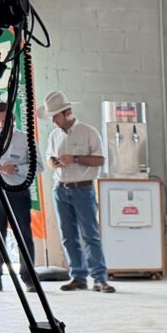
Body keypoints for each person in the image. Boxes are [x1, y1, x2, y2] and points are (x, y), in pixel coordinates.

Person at [44, 90, 113, 293]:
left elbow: (100, 160)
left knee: (90, 234)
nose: (53, 121)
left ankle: (99, 278)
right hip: (60, 188)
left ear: (67, 112)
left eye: (55, 116)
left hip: (83, 188)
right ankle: (78, 276)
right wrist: (53, 163)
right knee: (68, 236)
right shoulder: (54, 136)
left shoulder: (89, 132)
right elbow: (48, 158)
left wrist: (74, 158)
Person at [0, 98, 38, 292]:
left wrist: (17, 168)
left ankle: (29, 278)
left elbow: (39, 166)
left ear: (13, 120)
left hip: (18, 192)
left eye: (4, 121)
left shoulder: (25, 139)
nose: (0, 125)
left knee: (23, 236)